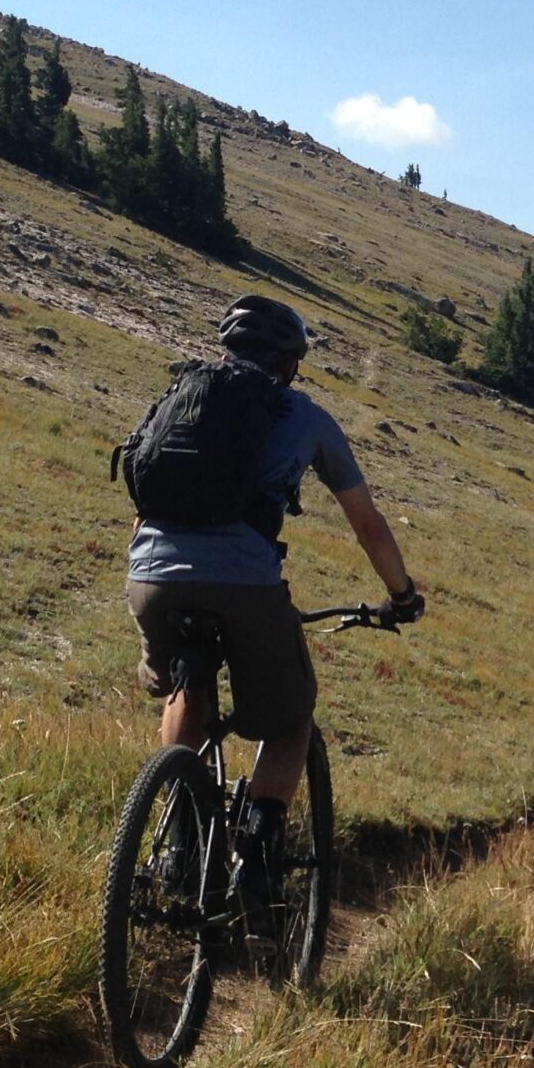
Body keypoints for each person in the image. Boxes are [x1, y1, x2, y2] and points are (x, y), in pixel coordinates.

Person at [124, 294, 422, 901]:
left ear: (227, 349)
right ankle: (256, 855)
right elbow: (366, 523)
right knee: (291, 719)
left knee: (189, 685)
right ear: (290, 363)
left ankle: (179, 843)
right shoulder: (304, 415)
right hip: (245, 584)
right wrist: (402, 594)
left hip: (149, 577)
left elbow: (144, 494)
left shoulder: (180, 398)